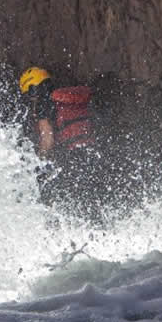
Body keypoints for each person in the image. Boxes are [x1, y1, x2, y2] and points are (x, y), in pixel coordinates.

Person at [19, 67, 105, 222]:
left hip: (75, 158)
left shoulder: (42, 105)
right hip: (95, 152)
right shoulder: (69, 97)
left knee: (67, 199)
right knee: (97, 202)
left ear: (33, 90)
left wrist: (37, 162)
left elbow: (48, 140)